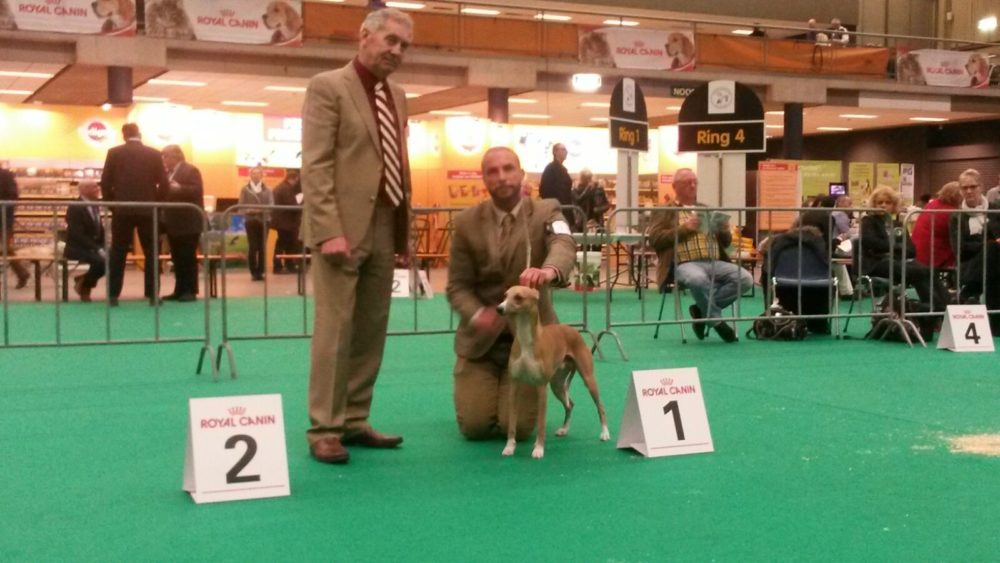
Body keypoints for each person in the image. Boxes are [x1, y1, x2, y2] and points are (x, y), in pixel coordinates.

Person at [300, 7, 414, 464]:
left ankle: (354, 418)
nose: (396, 51)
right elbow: (316, 163)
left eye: (404, 45)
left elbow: (395, 163)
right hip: (340, 230)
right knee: (334, 330)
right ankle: (324, 428)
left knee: (371, 328)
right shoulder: (327, 86)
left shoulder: (399, 95)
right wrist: (328, 229)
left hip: (385, 225)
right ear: (363, 36)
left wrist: (403, 233)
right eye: (390, 40)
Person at [446, 146, 576, 441]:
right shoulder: (467, 223)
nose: (501, 176)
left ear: (520, 173)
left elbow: (564, 243)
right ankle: (487, 385)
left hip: (533, 344)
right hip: (482, 346)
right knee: (476, 427)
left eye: (508, 169)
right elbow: (457, 286)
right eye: (492, 171)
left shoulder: (547, 210)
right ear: (484, 179)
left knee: (515, 428)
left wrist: (549, 271)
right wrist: (477, 314)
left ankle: (512, 392)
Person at [648, 168, 753, 343]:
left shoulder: (707, 209)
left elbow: (726, 244)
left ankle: (700, 311)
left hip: (714, 261)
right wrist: (684, 229)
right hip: (683, 263)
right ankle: (717, 322)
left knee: (746, 279)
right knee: (697, 279)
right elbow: (656, 240)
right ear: (674, 186)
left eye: (695, 182)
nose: (692, 185)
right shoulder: (665, 211)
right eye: (687, 182)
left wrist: (725, 231)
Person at [100, 123, 168, 306]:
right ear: (140, 133)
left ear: (124, 135)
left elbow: (105, 183)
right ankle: (153, 294)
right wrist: (157, 203)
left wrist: (113, 205)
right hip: (148, 208)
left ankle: (113, 295)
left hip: (123, 209)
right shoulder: (154, 153)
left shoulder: (114, 153)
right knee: (151, 252)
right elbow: (164, 182)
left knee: (118, 251)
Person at [860, 185, 949, 311]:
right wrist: (897, 247)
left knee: (929, 270)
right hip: (875, 263)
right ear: (874, 204)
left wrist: (893, 248)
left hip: (896, 261)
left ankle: (946, 308)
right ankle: (935, 310)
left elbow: (911, 250)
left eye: (887, 202)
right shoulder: (868, 221)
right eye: (880, 202)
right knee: (917, 272)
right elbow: (871, 243)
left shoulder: (898, 223)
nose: (883, 205)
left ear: (893, 205)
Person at [161, 145, 204, 302]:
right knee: (177, 257)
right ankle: (179, 289)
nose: (164, 160)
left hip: (189, 221)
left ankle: (190, 290)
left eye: (165, 157)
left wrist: (179, 188)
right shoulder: (168, 173)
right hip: (173, 222)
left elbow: (197, 190)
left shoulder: (190, 170)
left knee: (188, 257)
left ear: (175, 157)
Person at [950, 169, 1000, 304]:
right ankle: (972, 287)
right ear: (960, 190)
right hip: (969, 265)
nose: (969, 191)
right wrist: (987, 245)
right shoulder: (957, 216)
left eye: (973, 186)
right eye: (964, 188)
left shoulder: (995, 209)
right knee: (992, 248)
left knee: (993, 256)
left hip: (995, 265)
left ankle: (970, 290)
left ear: (981, 187)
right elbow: (960, 249)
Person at [63, 181, 106, 302]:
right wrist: (97, 248)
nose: (97, 189)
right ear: (84, 190)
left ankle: (82, 280)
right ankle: (85, 288)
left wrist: (102, 246)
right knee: (101, 262)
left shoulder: (95, 205)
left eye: (97, 187)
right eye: (94, 187)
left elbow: (99, 228)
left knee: (114, 260)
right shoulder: (75, 207)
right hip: (77, 247)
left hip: (94, 246)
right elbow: (77, 234)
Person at [911, 181, 961, 270]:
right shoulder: (951, 212)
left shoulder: (932, 204)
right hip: (933, 257)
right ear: (956, 196)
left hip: (918, 253)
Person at [238, 166, 272, 281]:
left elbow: (272, 206)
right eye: (253, 174)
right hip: (251, 221)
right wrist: (248, 211)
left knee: (262, 247)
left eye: (258, 173)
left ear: (262, 175)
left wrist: (261, 210)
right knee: (253, 247)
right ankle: (253, 271)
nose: (255, 175)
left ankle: (261, 271)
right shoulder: (245, 189)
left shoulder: (268, 189)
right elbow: (240, 206)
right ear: (250, 175)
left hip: (264, 221)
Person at [1, 165, 29, 290]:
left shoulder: (5, 175)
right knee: (6, 248)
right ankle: (22, 272)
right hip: (5, 217)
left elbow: (13, 196)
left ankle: (21, 272)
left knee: (6, 248)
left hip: (4, 217)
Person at [271, 168, 303, 274]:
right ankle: (282, 266)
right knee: (285, 244)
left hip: (282, 221)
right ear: (293, 179)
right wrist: (301, 205)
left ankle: (284, 265)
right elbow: (291, 205)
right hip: (286, 222)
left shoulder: (280, 187)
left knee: (283, 243)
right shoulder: (286, 189)